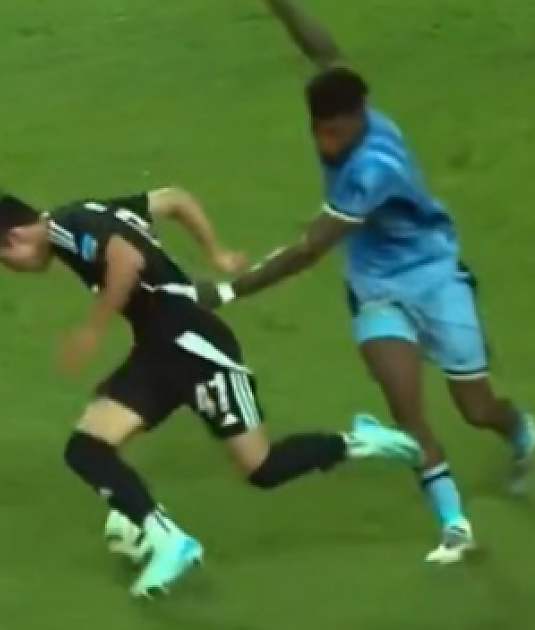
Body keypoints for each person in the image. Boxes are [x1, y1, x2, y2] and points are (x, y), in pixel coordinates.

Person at [194, 0, 533, 565]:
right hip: (376, 285)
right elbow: (325, 53)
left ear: (357, 119)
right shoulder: (345, 100)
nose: (325, 143)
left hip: (434, 277)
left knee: (476, 408)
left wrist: (227, 292)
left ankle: (520, 431)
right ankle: (455, 526)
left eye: (334, 132)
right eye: (318, 131)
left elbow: (310, 248)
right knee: (405, 407)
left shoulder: (374, 168)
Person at [0, 187, 422, 598]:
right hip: (158, 348)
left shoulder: (70, 228)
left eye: (4, 261)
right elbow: (174, 198)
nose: (13, 270)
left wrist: (92, 329)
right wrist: (215, 252)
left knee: (262, 468)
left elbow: (127, 261)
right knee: (87, 447)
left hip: (194, 346)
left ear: (14, 237)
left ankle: (356, 442)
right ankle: (162, 536)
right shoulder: (89, 213)